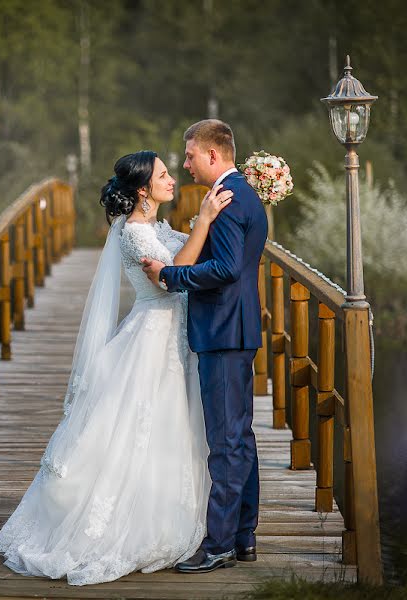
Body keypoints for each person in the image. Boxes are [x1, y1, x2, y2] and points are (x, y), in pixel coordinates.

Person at [0, 149, 234, 586]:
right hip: (153, 335)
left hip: (175, 335)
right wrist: (203, 220)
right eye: (163, 175)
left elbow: (196, 256)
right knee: (140, 424)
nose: (172, 179)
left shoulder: (156, 226)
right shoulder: (135, 234)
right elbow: (173, 274)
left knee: (168, 425)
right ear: (143, 190)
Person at [142, 119, 268, 574]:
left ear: (213, 155)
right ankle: (243, 536)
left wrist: (172, 277)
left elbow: (228, 268)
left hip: (223, 330)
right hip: (235, 329)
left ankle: (217, 545)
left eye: (190, 154)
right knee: (241, 439)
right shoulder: (236, 194)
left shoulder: (229, 201)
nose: (185, 162)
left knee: (226, 442)